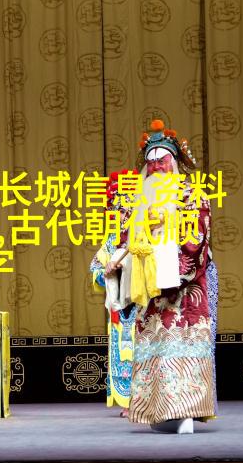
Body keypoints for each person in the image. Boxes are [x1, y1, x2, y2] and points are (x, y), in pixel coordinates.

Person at [126, 120, 218, 433]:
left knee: (180, 344)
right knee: (155, 345)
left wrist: (172, 269)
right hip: (151, 289)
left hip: (184, 289)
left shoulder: (192, 196)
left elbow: (196, 241)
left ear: (174, 162)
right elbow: (128, 239)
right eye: (150, 162)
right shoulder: (140, 201)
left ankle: (185, 412)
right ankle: (158, 412)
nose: (156, 167)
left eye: (162, 159)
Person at [90, 170, 137, 417]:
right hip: (119, 309)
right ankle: (128, 402)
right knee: (122, 356)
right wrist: (107, 271)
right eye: (117, 205)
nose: (121, 211)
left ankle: (143, 401)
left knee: (141, 354)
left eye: (125, 205)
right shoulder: (112, 238)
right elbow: (95, 268)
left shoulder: (143, 234)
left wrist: (127, 266)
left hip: (141, 305)